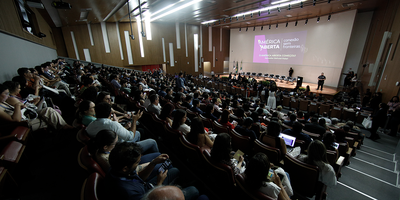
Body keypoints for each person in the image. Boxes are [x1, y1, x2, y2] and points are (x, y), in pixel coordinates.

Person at [104, 142, 200, 200]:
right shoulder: (129, 194)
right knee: (194, 190)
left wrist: (153, 163)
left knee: (175, 170)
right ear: (125, 167)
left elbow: (140, 177)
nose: (140, 162)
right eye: (137, 162)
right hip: (149, 194)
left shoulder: (117, 169)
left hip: (144, 187)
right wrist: (159, 184)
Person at [86, 102, 159, 154]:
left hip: (110, 145)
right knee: (152, 142)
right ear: (110, 114)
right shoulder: (112, 124)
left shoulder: (90, 125)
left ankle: (137, 153)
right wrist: (134, 120)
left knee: (138, 132)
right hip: (120, 149)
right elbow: (130, 137)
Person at [0, 83, 72, 131]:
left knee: (48, 110)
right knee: (51, 119)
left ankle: (65, 126)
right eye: (6, 94)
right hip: (24, 123)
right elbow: (16, 120)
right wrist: (18, 106)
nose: (8, 96)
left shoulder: (3, 102)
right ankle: (65, 129)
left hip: (27, 116)